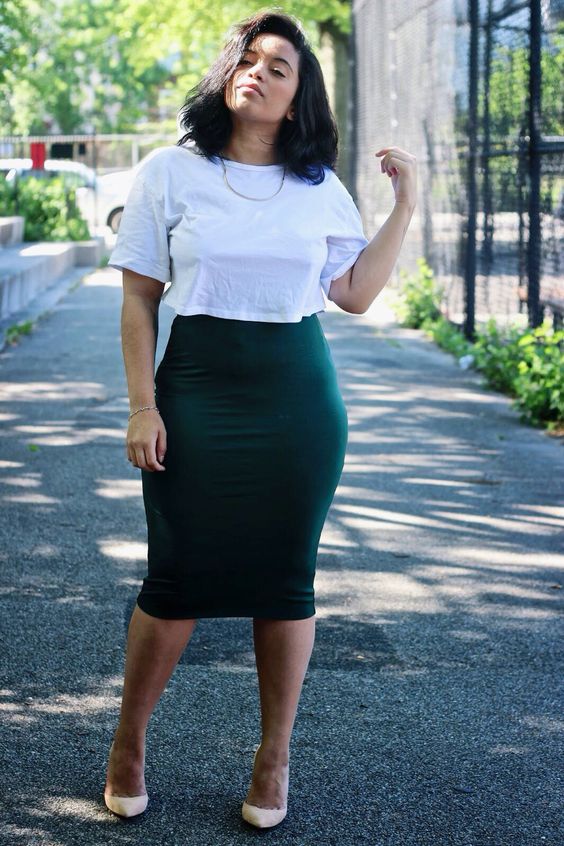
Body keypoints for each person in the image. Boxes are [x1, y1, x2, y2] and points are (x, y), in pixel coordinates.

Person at [103, 8, 417, 831]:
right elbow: (139, 300)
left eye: (279, 66)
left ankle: (273, 756)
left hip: (297, 401)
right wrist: (142, 405)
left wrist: (405, 206)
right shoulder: (171, 171)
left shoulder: (319, 188)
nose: (259, 72)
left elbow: (354, 293)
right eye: (249, 59)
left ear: (298, 95)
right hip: (196, 391)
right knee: (176, 579)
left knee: (285, 583)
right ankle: (130, 742)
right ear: (228, 75)